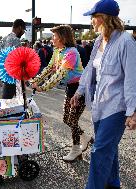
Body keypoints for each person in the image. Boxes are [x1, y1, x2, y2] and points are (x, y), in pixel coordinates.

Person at [70, 1, 136, 188]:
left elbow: (132, 78)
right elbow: (89, 71)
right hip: (99, 105)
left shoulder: (126, 41)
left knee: (99, 150)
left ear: (103, 18)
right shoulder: (99, 41)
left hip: (117, 106)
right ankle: (112, 183)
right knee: (109, 149)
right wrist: (80, 91)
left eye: (93, 17)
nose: (91, 22)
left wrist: (133, 111)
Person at [31, 25, 93, 162]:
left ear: (62, 38)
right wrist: (35, 80)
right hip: (70, 88)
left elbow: (60, 74)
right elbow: (49, 68)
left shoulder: (71, 53)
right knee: (66, 119)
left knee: (72, 120)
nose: (52, 38)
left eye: (54, 36)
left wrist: (42, 87)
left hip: (80, 89)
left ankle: (76, 150)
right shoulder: (57, 51)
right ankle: (86, 138)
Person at [0, 19, 26, 99]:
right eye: (23, 30)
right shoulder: (16, 40)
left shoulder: (3, 39)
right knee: (14, 99)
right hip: (14, 74)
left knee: (8, 97)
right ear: (20, 28)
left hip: (5, 72)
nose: (23, 32)